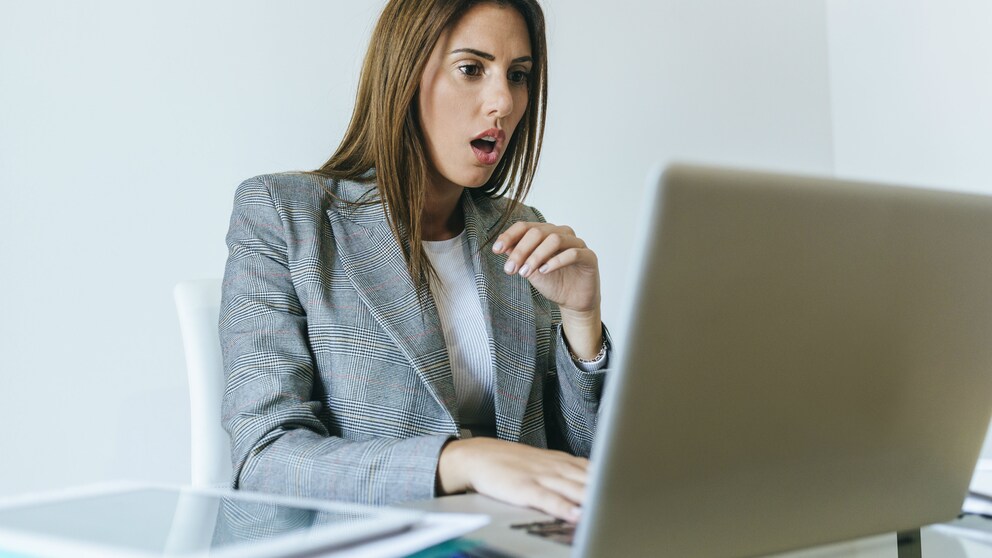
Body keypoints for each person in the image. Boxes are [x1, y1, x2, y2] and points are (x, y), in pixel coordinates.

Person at [219, 0, 611, 523]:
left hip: (506, 538)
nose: (504, 103)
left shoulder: (517, 230)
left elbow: (579, 463)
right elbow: (265, 459)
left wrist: (581, 320)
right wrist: (460, 460)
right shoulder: (284, 215)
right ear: (404, 74)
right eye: (472, 69)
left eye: (518, 76)